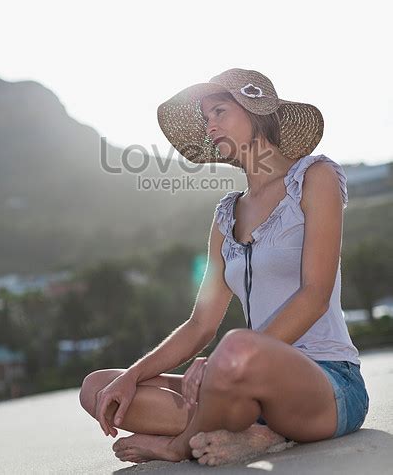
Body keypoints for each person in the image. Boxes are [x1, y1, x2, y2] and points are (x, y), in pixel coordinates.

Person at [79, 68, 370, 466]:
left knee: (237, 344)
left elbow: (315, 295)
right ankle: (250, 433)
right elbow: (201, 325)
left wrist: (224, 363)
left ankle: (180, 444)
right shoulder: (225, 216)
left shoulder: (315, 177)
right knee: (100, 387)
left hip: (326, 382)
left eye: (219, 111)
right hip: (241, 386)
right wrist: (132, 375)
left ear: (258, 113)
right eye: (206, 117)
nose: (210, 125)